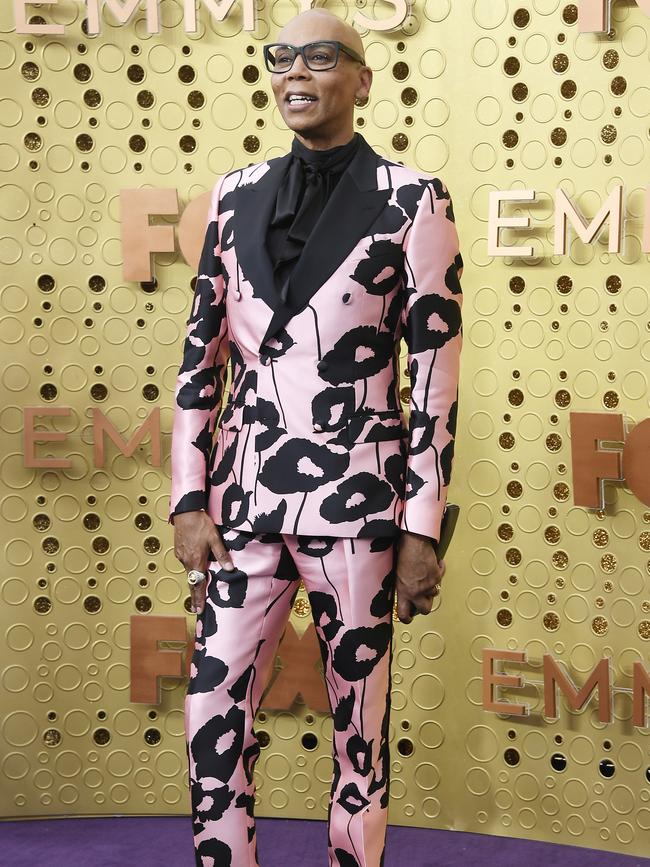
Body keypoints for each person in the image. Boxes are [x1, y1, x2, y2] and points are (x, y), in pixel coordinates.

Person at [169, 8, 464, 866]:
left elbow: (436, 374)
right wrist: (190, 496)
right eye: (281, 56)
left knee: (359, 732)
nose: (295, 70)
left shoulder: (414, 198)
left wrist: (419, 527)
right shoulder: (233, 193)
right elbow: (200, 360)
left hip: (360, 513)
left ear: (362, 80)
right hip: (240, 505)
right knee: (211, 716)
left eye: (320, 56)